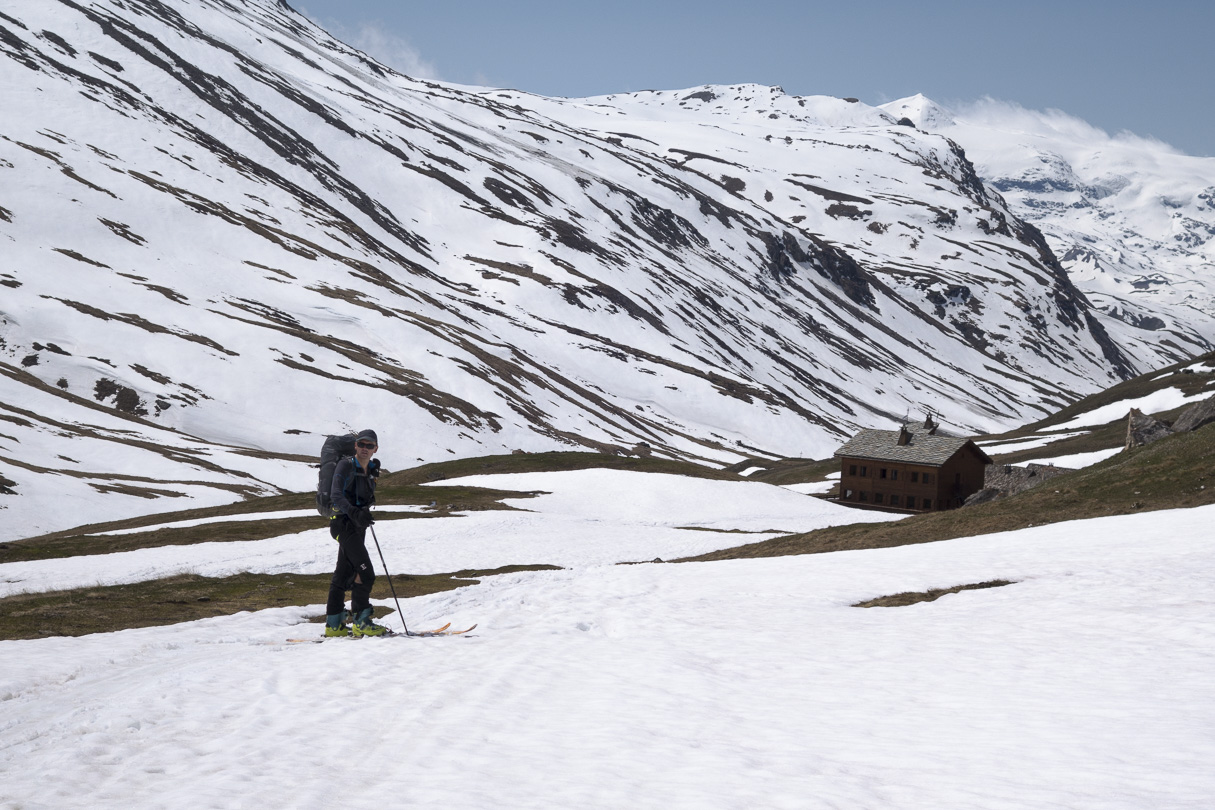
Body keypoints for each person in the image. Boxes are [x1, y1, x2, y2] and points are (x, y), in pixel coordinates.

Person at [325, 429, 388, 637]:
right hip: (342, 524)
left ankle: (334, 625)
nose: (364, 448)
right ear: (355, 446)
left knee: (344, 573)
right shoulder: (345, 465)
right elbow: (335, 495)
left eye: (369, 446)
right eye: (361, 444)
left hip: (357, 526)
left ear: (375, 449)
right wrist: (353, 512)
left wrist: (363, 514)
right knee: (366, 572)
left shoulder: (371, 469)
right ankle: (361, 622)